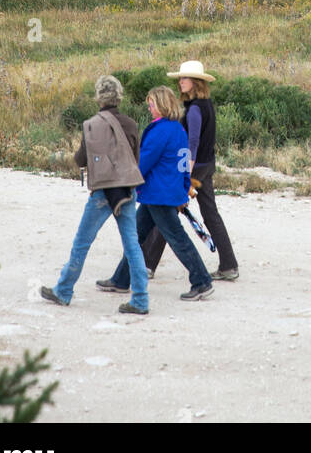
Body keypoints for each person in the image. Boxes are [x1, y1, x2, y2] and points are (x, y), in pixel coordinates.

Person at [41, 74, 149, 315]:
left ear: (99, 96)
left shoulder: (91, 124)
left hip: (102, 192)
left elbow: (80, 159)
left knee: (82, 243)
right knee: (132, 245)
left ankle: (63, 290)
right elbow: (135, 158)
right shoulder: (131, 124)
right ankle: (141, 300)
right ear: (119, 95)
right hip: (126, 190)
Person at [98, 84, 214, 301]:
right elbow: (182, 162)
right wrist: (183, 189)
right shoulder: (178, 129)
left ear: (160, 105)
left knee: (176, 239)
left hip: (158, 195)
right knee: (136, 236)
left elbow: (143, 163)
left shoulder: (159, 130)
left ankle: (202, 281)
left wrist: (123, 181)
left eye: (151, 104)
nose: (149, 108)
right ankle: (121, 280)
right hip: (163, 194)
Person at [144, 58, 238, 281]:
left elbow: (192, 144)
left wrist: (185, 173)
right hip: (207, 166)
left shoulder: (195, 108)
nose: (181, 82)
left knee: (167, 212)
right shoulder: (206, 105)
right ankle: (229, 265)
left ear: (196, 82)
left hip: (195, 169)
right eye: (180, 78)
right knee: (210, 213)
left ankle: (148, 264)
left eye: (185, 78)